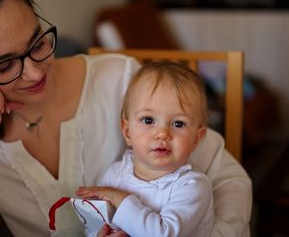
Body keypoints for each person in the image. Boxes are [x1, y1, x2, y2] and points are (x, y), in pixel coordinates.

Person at [0, 0, 252, 236]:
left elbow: (229, 181)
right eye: (4, 66)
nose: (34, 72)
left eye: (38, 42)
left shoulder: (121, 79)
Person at [76, 61, 214, 236]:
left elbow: (163, 233)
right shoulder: (115, 175)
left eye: (178, 123)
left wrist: (120, 199)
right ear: (127, 132)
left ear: (196, 139)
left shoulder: (192, 187)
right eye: (148, 120)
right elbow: (97, 222)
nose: (162, 134)